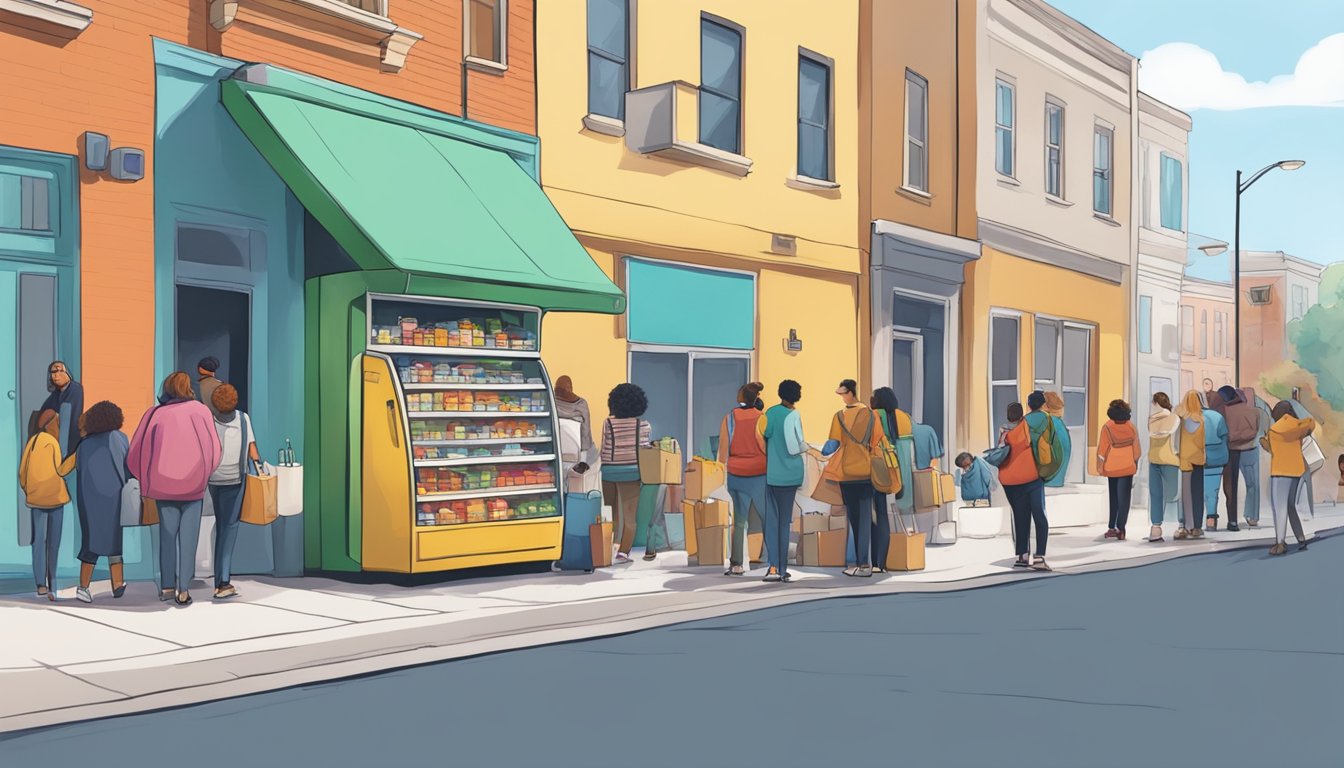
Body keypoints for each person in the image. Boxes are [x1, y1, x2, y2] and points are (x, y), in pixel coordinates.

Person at [128, 372, 222, 606]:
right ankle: (183, 589)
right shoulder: (201, 411)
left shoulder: (154, 414)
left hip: (162, 486)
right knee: (189, 538)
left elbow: (134, 454)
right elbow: (215, 451)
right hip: (194, 486)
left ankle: (167, 586)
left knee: (167, 537)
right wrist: (202, 472)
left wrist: (146, 477)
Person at [820, 379, 885, 578]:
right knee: (866, 517)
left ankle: (859, 563)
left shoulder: (839, 416)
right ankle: (864, 564)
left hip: (846, 473)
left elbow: (831, 445)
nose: (841, 397)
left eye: (842, 394)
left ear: (850, 393)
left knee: (854, 519)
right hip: (866, 471)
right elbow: (877, 441)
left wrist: (821, 451)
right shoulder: (872, 415)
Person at [599, 383, 666, 564]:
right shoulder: (643, 425)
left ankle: (608, 547)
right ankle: (623, 552)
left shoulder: (608, 423)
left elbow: (604, 447)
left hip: (609, 470)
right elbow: (644, 448)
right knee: (630, 516)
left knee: (610, 513)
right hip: (632, 471)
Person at [73, 401, 130, 603]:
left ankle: (83, 587)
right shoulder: (118, 437)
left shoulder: (84, 444)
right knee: (114, 541)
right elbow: (127, 466)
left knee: (90, 542)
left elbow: (79, 471)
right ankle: (117, 584)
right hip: (113, 498)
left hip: (88, 500)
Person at [208, 385, 260, 600]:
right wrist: (259, 466)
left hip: (213, 479)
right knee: (228, 528)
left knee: (220, 525)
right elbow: (252, 450)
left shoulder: (208, 420)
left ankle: (220, 578)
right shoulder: (243, 418)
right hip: (235, 480)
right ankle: (222, 582)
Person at [18, 410, 75, 600]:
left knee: (38, 543)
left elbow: (22, 473)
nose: (58, 426)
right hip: (55, 500)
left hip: (36, 500)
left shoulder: (32, 442)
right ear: (50, 423)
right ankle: (53, 584)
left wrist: (31, 491)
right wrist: (74, 459)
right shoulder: (52, 443)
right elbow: (59, 470)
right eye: (57, 423)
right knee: (53, 544)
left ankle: (40, 584)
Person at [756, 379, 810, 583]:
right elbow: (798, 444)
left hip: (773, 475)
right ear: (797, 395)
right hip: (792, 475)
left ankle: (772, 566)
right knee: (784, 523)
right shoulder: (795, 416)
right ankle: (783, 569)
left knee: (773, 521)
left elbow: (765, 435)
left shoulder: (770, 413)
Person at [717, 383, 770, 576]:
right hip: (759, 473)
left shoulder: (729, 418)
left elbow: (723, 449)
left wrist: (723, 465)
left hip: (736, 473)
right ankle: (771, 561)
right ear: (756, 399)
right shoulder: (762, 418)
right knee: (766, 517)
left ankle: (737, 564)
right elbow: (765, 445)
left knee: (739, 521)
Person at [998, 403, 1050, 571]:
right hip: (1031, 477)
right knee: (1039, 516)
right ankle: (1040, 556)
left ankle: (1022, 556)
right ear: (1022, 415)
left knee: (1020, 517)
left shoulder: (1003, 432)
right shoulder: (1028, 428)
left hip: (1010, 481)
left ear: (1008, 416)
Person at [869, 387, 915, 573]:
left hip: (873, 467)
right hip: (892, 469)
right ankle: (882, 562)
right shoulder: (902, 417)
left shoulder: (873, 415)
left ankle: (872, 561)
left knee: (871, 516)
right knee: (883, 515)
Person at [1261, 401, 1315, 555]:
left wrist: (1263, 442)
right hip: (1296, 470)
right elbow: (1311, 423)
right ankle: (1300, 537)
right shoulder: (1299, 426)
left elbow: (1271, 449)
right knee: (1290, 505)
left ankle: (1280, 543)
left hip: (1280, 471)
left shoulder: (1273, 430)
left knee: (1279, 508)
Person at [1097, 400, 1141, 541]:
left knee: (1114, 498)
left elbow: (1102, 450)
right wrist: (1135, 463)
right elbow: (1137, 451)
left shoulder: (1107, 427)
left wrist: (1100, 466)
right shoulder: (1131, 428)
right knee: (1124, 499)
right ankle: (1121, 528)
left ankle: (1111, 527)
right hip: (1128, 467)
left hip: (1112, 466)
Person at [1217, 386, 1259, 532]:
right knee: (1252, 484)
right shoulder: (1253, 412)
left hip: (1230, 450)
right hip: (1249, 448)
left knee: (1230, 487)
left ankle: (1232, 521)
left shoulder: (1224, 412)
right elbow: (1255, 431)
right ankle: (1251, 516)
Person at [1147, 393, 1181, 542]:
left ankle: (1156, 528)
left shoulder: (1151, 421)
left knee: (1156, 495)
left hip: (1154, 459)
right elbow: (1176, 441)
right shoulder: (1174, 418)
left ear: (1155, 403)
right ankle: (1179, 526)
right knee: (1175, 494)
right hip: (1171, 460)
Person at [1174, 390, 1207, 540]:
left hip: (1185, 459)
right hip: (1198, 459)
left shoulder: (1182, 418)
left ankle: (1187, 525)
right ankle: (1197, 527)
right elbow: (1201, 442)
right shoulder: (1200, 419)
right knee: (1197, 493)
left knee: (1186, 494)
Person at [553, 375, 595, 474]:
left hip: (558, 450)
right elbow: (586, 432)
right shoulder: (581, 404)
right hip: (576, 452)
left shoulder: (553, 403)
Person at [41, 360, 85, 454]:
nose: (56, 375)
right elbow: (44, 413)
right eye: (53, 372)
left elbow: (69, 418)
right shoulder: (56, 394)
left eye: (59, 370)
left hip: (70, 443)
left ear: (67, 373)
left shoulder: (75, 389)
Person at [1201, 390, 1230, 530]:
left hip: (1196, 458)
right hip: (1216, 458)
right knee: (1212, 491)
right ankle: (1211, 519)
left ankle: (1191, 522)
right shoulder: (1217, 416)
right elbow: (1224, 436)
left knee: (1194, 490)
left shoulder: (1190, 418)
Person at [1038, 392, 1073, 488]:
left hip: (1047, 481)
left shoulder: (1047, 424)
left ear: (1045, 406)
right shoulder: (1059, 424)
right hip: (1058, 479)